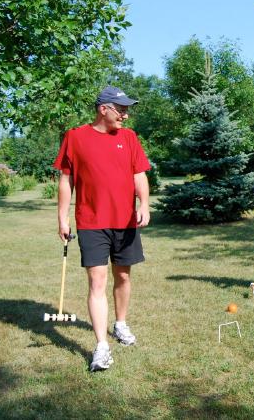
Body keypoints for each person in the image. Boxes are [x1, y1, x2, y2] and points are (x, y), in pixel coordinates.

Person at [54, 86, 151, 371]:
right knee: (97, 282)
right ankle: (101, 346)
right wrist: (62, 217)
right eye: (121, 109)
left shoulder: (129, 137)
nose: (125, 115)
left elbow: (139, 174)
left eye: (127, 110)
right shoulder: (75, 137)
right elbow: (66, 180)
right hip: (91, 222)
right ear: (103, 109)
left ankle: (120, 323)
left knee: (123, 276)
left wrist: (144, 204)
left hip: (125, 220)